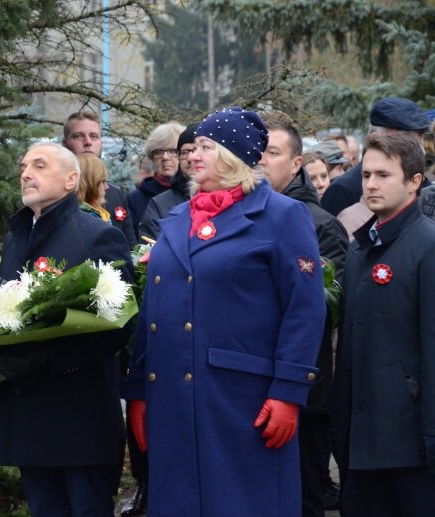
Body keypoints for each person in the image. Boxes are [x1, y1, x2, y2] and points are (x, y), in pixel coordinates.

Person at [125, 107, 325, 516]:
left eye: (206, 147)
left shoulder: (282, 216)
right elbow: (152, 313)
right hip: (172, 400)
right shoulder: (177, 218)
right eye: (193, 147)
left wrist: (289, 390)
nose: (193, 156)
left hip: (241, 402)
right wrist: (140, 392)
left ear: (234, 156)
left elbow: (304, 309)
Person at [0, 142, 133, 516]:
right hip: (29, 412)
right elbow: (3, 312)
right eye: (24, 166)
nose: (26, 173)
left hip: (79, 413)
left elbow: (118, 325)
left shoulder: (96, 235)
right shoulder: (16, 237)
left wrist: (45, 358)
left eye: (39, 166)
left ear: (71, 179)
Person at [331, 133, 435, 516]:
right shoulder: (360, 249)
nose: (371, 184)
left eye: (384, 175)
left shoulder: (428, 245)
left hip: (410, 449)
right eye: (366, 174)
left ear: (414, 181)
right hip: (360, 443)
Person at [258, 112, 348, 517]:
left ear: (297, 165)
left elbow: (331, 301)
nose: (260, 159)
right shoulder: (247, 215)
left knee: (303, 494)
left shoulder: (319, 224)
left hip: (304, 388)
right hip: (253, 379)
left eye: (272, 152)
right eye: (257, 151)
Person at [321, 96, 431, 217]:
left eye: (419, 137)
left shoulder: (425, 186)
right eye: (406, 139)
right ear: (376, 138)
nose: (418, 147)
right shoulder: (343, 190)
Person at [62, 111, 136, 245]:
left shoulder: (115, 194)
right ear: (65, 144)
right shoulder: (56, 193)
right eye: (78, 136)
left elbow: (130, 247)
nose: (88, 142)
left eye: (94, 136)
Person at [138, 123, 198, 242]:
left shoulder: (226, 196)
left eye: (172, 151)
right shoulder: (158, 204)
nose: (191, 158)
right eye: (185, 152)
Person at [127, 122, 184, 236]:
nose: (165, 157)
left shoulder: (194, 194)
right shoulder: (135, 199)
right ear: (151, 157)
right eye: (158, 151)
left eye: (172, 151)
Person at [76, 153, 111, 221]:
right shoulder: (84, 221)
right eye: (103, 182)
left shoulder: (99, 215)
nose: (107, 187)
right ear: (90, 183)